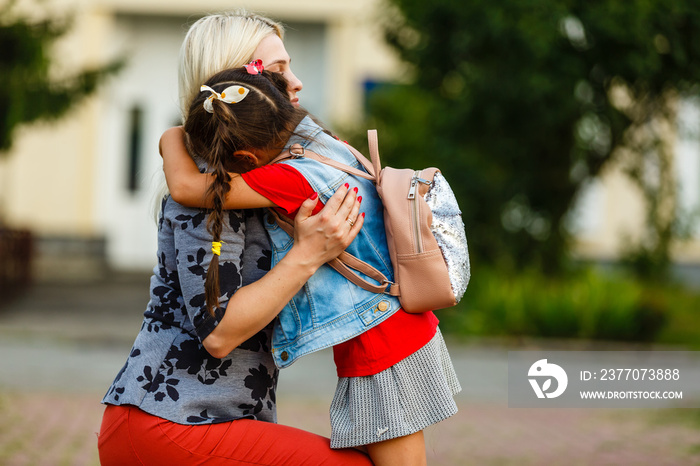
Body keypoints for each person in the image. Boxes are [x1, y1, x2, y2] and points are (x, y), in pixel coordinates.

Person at [97, 11, 373, 465]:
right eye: (279, 70)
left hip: (209, 421)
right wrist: (307, 254)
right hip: (169, 423)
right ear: (232, 83)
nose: (297, 83)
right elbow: (219, 332)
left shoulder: (252, 179)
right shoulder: (209, 188)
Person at [160, 64, 462, 466]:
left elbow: (185, 188)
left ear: (247, 157)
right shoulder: (321, 139)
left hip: (381, 343)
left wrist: (170, 135)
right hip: (394, 329)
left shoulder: (288, 178)